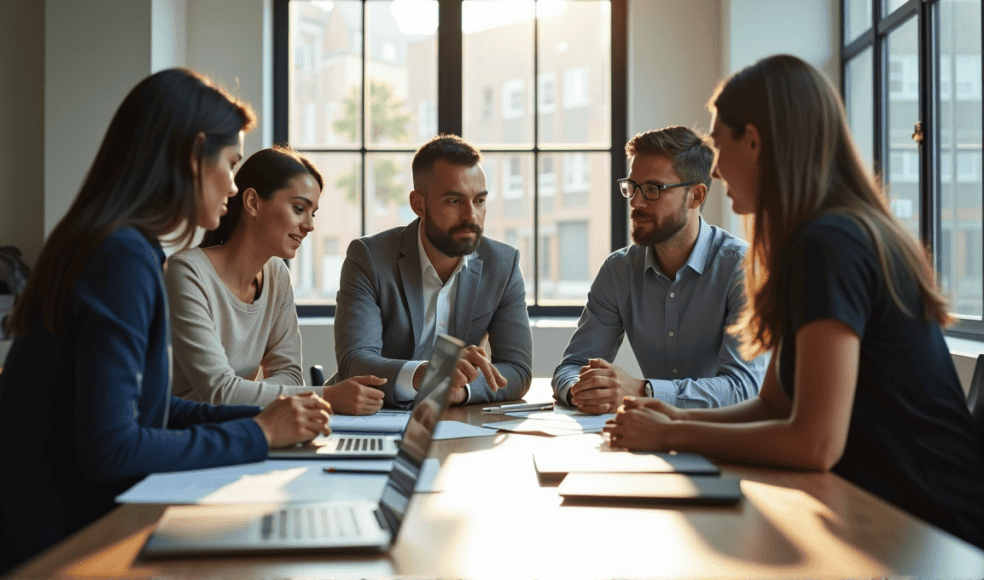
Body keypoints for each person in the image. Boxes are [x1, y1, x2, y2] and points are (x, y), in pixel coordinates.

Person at [0, 69, 332, 575]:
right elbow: (113, 449)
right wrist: (260, 435)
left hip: (43, 529)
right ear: (191, 155)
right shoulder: (122, 256)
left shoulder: (112, 242)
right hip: (38, 549)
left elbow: (147, 412)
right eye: (230, 163)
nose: (233, 182)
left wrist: (266, 421)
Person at [605, 54, 984, 549]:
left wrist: (672, 435)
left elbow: (815, 444)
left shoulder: (830, 243)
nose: (716, 170)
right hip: (884, 514)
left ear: (756, 142)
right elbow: (773, 404)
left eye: (720, 145)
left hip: (931, 531)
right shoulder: (817, 238)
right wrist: (670, 417)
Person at [553, 126, 766, 414]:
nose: (636, 202)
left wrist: (643, 391)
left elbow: (742, 388)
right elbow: (572, 367)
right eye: (633, 187)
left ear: (696, 196)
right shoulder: (618, 270)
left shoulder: (741, 268)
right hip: (648, 434)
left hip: (724, 439)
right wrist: (581, 393)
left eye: (653, 189)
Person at [166, 145, 386, 415]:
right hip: (188, 435)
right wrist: (327, 396)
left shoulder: (277, 274)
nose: (309, 225)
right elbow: (219, 391)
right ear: (252, 203)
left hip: (245, 426)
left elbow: (291, 375)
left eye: (312, 212)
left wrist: (252, 396)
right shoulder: (187, 272)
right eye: (298, 208)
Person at [334, 134, 532, 408]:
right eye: (454, 201)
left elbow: (517, 370)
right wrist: (427, 374)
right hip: (372, 415)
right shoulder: (369, 258)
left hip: (453, 421)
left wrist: (459, 391)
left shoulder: (503, 264)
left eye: (479, 201)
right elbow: (355, 363)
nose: (471, 216)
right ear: (418, 205)